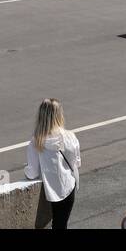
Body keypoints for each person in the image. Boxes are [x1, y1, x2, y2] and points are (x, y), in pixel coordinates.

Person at [24, 98, 80, 228]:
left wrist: (26, 169)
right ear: (59, 114)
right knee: (61, 224)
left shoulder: (36, 142)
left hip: (49, 191)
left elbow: (32, 173)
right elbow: (76, 163)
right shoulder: (70, 137)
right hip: (68, 186)